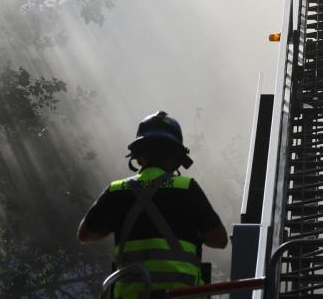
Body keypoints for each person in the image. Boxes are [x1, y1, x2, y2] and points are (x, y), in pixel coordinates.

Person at [78, 111, 228, 299]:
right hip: (182, 296)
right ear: (176, 159)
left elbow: (85, 235)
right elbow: (220, 240)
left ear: (138, 157)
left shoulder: (117, 191)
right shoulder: (187, 189)